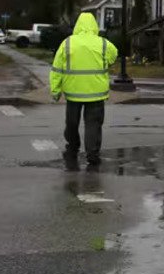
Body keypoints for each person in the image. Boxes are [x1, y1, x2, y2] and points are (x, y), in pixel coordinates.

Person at [50, 12, 118, 170]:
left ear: (78, 25)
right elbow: (114, 55)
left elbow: (56, 69)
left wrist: (55, 91)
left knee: (72, 124)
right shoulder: (102, 44)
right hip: (96, 94)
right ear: (94, 25)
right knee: (93, 125)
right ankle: (92, 155)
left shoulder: (67, 43)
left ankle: (73, 148)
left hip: (73, 93)